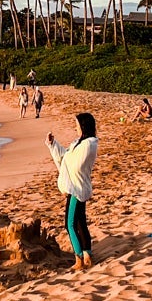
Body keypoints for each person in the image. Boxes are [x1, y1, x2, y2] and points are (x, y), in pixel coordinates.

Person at [47, 113, 98, 270]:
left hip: (76, 189)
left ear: (83, 126)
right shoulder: (79, 143)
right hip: (78, 187)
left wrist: (66, 181)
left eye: (77, 124)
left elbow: (75, 165)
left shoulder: (88, 145)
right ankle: (87, 254)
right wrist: (53, 144)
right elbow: (66, 157)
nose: (75, 127)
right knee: (81, 222)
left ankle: (79, 258)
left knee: (69, 224)